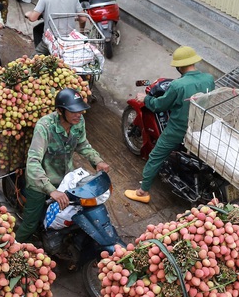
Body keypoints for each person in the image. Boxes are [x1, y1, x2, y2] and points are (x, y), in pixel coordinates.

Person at [15, 89, 109, 243]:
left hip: (65, 179)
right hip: (40, 182)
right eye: (73, 111)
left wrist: (97, 160)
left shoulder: (78, 122)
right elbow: (33, 162)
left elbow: (82, 144)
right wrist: (51, 190)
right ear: (59, 110)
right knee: (30, 225)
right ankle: (13, 248)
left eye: (80, 110)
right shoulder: (44, 126)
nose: (79, 114)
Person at [125, 47, 216, 205]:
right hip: (203, 127)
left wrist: (145, 99)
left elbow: (160, 105)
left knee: (155, 156)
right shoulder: (208, 79)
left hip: (179, 130)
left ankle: (142, 191)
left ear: (179, 67)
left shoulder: (177, 85)